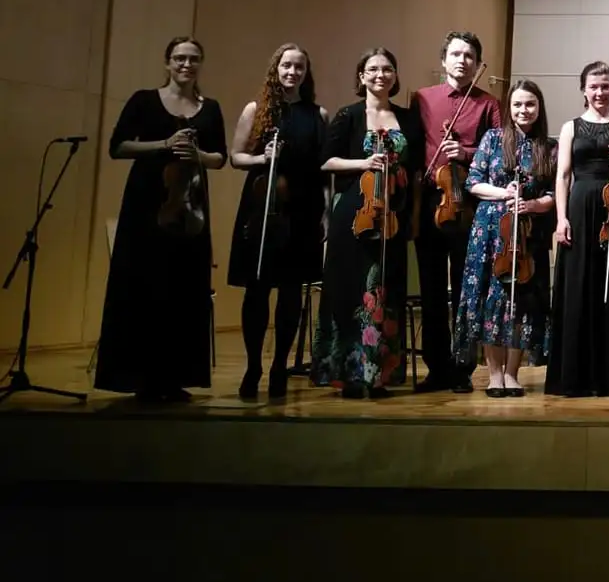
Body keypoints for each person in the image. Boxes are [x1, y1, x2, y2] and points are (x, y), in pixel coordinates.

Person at [95, 36, 228, 403]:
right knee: (143, 286)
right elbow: (118, 147)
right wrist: (164, 145)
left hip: (190, 209)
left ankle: (175, 377)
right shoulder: (144, 100)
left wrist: (198, 154)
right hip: (145, 206)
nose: (186, 64)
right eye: (179, 58)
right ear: (167, 62)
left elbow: (220, 157)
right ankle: (140, 377)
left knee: (184, 290)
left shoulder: (210, 108)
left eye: (193, 59)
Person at [311, 48, 422, 399]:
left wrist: (414, 215)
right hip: (353, 213)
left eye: (387, 69)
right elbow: (326, 162)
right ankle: (347, 374)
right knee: (348, 290)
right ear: (361, 76)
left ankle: (378, 375)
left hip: (393, 215)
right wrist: (363, 164)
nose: (380, 75)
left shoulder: (408, 118)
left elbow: (417, 172)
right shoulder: (348, 115)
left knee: (386, 292)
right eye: (372, 69)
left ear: (395, 75)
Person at [226, 43, 328, 401]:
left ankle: (279, 366)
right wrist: (262, 158)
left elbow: (322, 169)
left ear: (306, 73)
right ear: (276, 68)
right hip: (262, 210)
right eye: (287, 65)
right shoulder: (256, 109)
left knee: (291, 292)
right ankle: (253, 366)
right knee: (256, 291)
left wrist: (326, 213)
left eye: (299, 67)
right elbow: (235, 157)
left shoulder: (317, 115)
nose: (292, 72)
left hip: (303, 210)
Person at [545, 61, 609, 397]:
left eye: (605, 86)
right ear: (584, 90)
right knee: (578, 287)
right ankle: (575, 376)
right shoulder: (570, 127)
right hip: (579, 208)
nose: (600, 92)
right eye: (593, 86)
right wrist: (561, 219)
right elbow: (563, 176)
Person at [454, 80, 556, 397]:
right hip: (490, 232)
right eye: (518, 104)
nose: (524, 110)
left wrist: (535, 204)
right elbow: (473, 183)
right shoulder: (493, 138)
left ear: (539, 108)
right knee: (491, 301)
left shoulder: (548, 146)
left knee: (522, 303)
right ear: (509, 109)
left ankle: (512, 373)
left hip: (528, 234)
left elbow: (554, 193)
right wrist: (504, 193)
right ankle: (494, 374)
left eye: (530, 104)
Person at [412, 32, 502, 392]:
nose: (462, 61)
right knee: (432, 289)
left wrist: (465, 153)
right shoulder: (421, 98)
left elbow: (500, 152)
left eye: (469, 56)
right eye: (455, 54)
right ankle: (436, 368)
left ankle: (463, 368)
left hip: (469, 207)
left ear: (477, 63)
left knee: (467, 290)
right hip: (431, 202)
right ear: (443, 60)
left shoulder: (488, 104)